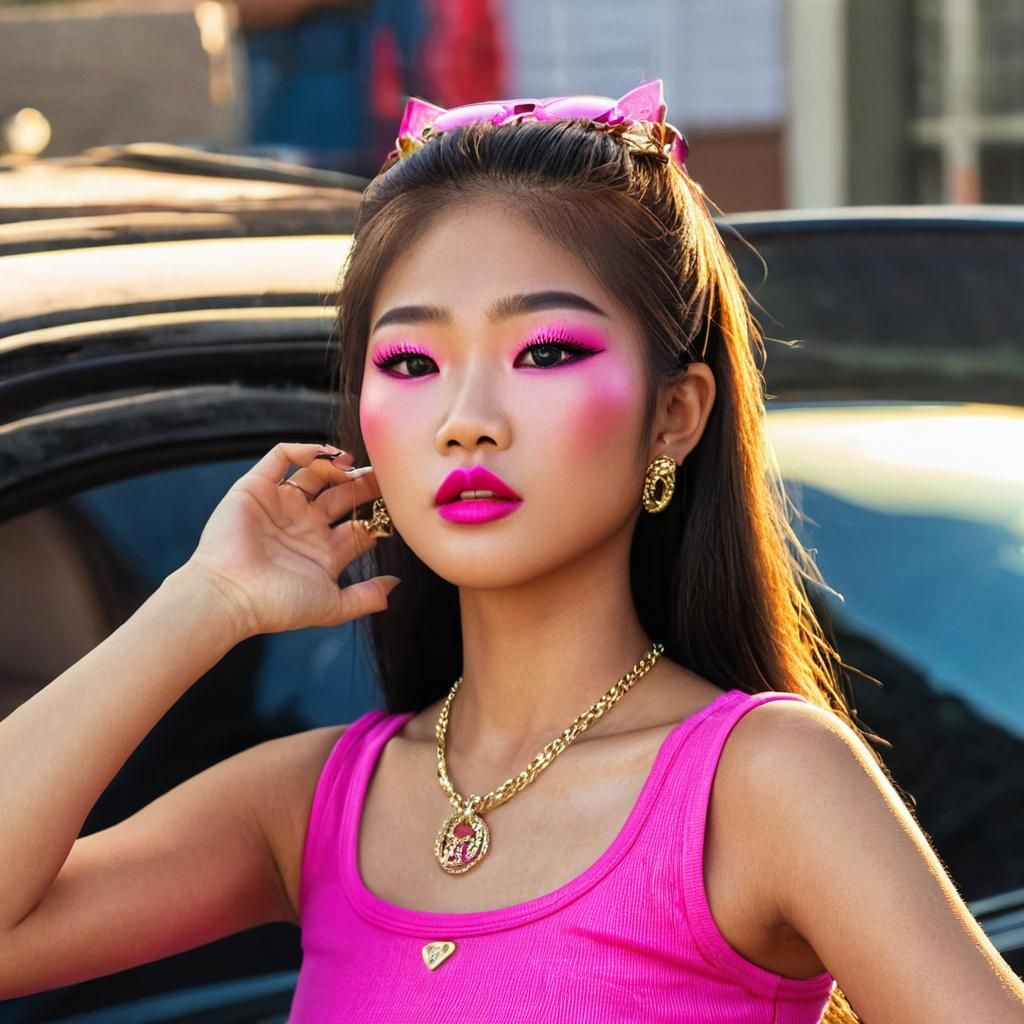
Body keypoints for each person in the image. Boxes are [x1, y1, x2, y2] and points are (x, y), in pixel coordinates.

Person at [0, 80, 1021, 1024]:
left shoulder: (761, 783)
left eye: (545, 352)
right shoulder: (316, 802)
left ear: (674, 414)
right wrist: (203, 600)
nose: (466, 419)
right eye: (411, 360)